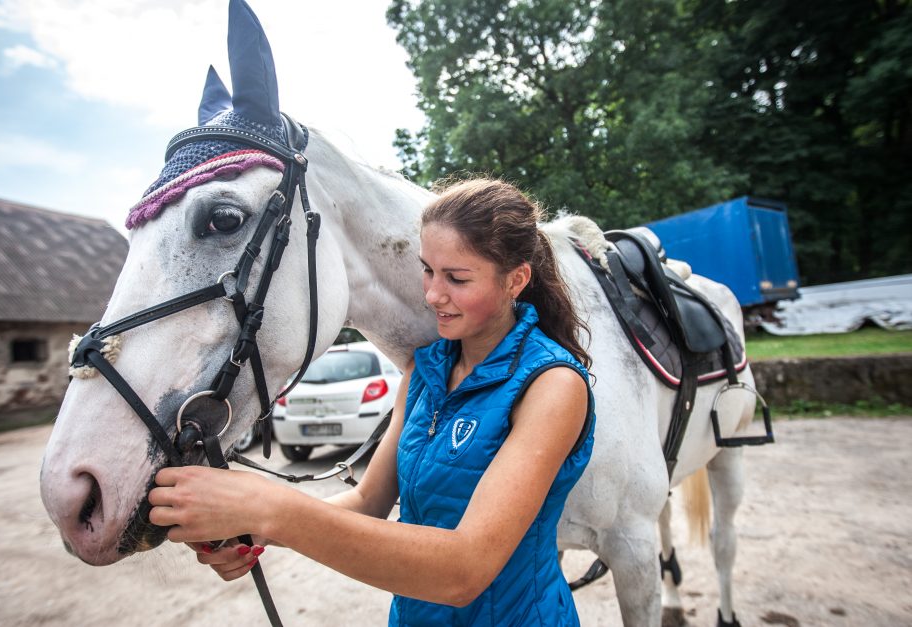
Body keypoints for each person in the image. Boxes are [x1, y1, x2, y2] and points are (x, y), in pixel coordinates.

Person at [148, 178, 597, 625]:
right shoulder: (424, 372)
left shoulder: (551, 385)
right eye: (428, 270)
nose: (433, 295)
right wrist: (244, 526)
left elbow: (464, 570)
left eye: (457, 278)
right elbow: (367, 502)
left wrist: (269, 509)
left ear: (516, 280)